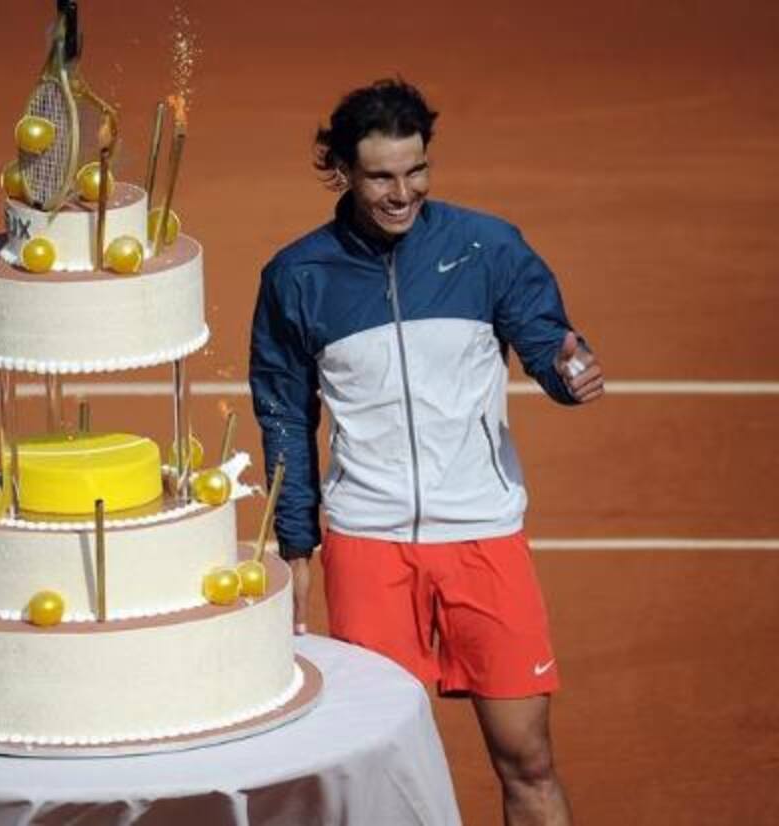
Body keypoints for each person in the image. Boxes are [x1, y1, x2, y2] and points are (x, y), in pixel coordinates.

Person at [249, 79, 603, 826]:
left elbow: (546, 339)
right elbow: (284, 412)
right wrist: (297, 543)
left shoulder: (487, 248)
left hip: (483, 533)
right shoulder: (297, 277)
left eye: (416, 171)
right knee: (378, 773)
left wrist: (568, 373)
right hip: (369, 542)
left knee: (529, 760)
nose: (402, 193)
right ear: (343, 171)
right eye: (381, 177)